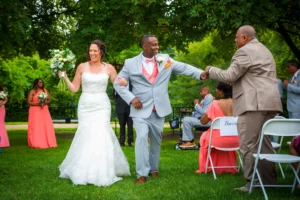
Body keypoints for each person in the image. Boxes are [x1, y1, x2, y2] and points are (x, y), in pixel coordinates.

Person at [114, 34, 206, 184]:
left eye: (157, 44)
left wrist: (199, 73)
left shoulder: (165, 59)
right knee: (142, 137)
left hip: (159, 108)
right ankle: (141, 174)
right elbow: (117, 83)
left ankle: (153, 168)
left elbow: (183, 67)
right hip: (140, 109)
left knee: (156, 140)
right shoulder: (130, 63)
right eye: (154, 45)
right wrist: (131, 98)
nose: (157, 47)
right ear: (145, 46)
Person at [203, 25, 282, 191]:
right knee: (264, 144)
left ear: (245, 38)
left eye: (237, 38)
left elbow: (230, 75)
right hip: (269, 102)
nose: (235, 40)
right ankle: (267, 180)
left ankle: (252, 182)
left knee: (248, 144)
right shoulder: (264, 50)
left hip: (253, 104)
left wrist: (210, 70)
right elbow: (252, 76)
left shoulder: (244, 51)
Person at [58, 40, 130, 187]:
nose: (92, 53)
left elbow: (119, 83)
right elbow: (74, 89)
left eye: (95, 51)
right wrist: (64, 77)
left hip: (102, 106)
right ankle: (82, 170)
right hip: (85, 105)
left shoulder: (109, 68)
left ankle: (103, 171)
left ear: (101, 52)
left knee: (102, 133)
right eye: (90, 51)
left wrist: (125, 82)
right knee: (86, 134)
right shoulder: (82, 67)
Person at [196, 82, 239, 173]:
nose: (215, 91)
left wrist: (210, 109)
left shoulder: (215, 104)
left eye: (217, 89)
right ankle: (228, 167)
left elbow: (203, 121)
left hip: (218, 140)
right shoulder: (239, 104)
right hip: (236, 140)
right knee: (217, 135)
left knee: (204, 137)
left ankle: (206, 167)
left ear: (222, 92)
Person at [27, 78, 57, 149]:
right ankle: (37, 141)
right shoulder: (32, 91)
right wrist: (38, 104)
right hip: (35, 110)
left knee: (46, 125)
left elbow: (49, 100)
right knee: (36, 125)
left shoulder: (45, 90)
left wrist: (44, 103)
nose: (41, 83)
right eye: (39, 82)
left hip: (44, 109)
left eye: (42, 82)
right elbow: (29, 102)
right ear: (36, 83)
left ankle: (48, 141)